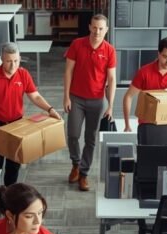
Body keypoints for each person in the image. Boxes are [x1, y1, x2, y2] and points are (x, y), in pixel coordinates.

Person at [0, 42, 61, 186]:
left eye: (16, 61)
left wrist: (50, 109)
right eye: (9, 61)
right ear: (1, 59)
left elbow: (35, 96)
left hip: (16, 126)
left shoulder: (23, 74)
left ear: (20, 58)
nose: (13, 65)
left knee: (13, 166)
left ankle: (10, 195)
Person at [63, 14, 116, 192]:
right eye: (94, 27)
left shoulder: (109, 50)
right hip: (76, 98)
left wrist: (110, 105)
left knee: (91, 138)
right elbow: (68, 71)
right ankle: (75, 164)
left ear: (106, 30)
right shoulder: (77, 44)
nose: (97, 31)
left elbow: (112, 79)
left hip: (97, 100)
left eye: (101, 28)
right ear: (89, 27)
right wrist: (66, 96)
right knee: (72, 134)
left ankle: (84, 174)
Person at [121, 37, 167, 133]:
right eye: (165, 56)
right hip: (147, 126)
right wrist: (127, 125)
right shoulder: (144, 72)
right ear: (158, 54)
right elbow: (128, 96)